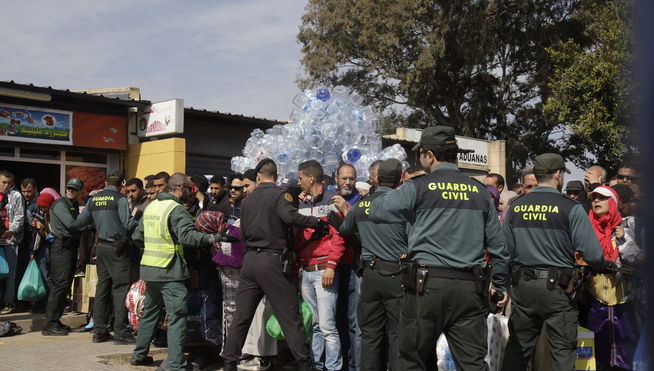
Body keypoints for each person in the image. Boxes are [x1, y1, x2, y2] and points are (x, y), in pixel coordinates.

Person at [369, 126, 509, 371]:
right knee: (473, 364)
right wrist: (498, 285)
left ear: (429, 155)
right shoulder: (480, 192)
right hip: (469, 289)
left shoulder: (418, 187)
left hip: (426, 289)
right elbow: (500, 247)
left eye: (419, 154)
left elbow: (378, 210)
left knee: (412, 361)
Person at [500, 153, 609, 371]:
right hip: (558, 291)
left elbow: (504, 252)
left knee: (518, 349)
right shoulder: (571, 207)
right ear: (558, 175)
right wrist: (601, 266)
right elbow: (593, 254)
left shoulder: (516, 207)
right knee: (562, 351)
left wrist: (501, 284)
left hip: (523, 288)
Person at [221, 159, 326, 371]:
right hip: (272, 261)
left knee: (241, 317)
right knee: (290, 317)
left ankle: (229, 363)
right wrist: (317, 222)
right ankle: (305, 365)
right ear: (275, 176)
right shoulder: (280, 195)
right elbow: (290, 216)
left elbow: (242, 233)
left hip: (250, 262)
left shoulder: (248, 200)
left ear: (259, 176)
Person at [130, 173, 227, 370]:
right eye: (190, 189)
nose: (192, 193)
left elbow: (137, 236)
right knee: (176, 317)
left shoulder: (152, 206)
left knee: (150, 313)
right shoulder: (176, 210)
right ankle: (175, 363)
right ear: (180, 188)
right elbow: (189, 237)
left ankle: (139, 355)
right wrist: (215, 237)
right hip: (170, 270)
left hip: (150, 269)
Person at [330, 158, 406, 371]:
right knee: (397, 333)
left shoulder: (362, 204)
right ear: (400, 179)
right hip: (396, 275)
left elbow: (345, 228)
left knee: (370, 335)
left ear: (376, 178)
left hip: (369, 276)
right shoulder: (404, 203)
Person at [74, 171, 137, 344]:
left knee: (103, 288)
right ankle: (121, 331)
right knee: (120, 288)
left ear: (106, 182)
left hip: (100, 247)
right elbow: (128, 223)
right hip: (117, 248)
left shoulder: (94, 199)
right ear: (122, 184)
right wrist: (144, 225)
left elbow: (80, 222)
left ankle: (99, 331)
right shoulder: (120, 199)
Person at [297, 160, 348, 371]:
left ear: (311, 179)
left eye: (300, 179)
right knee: (316, 326)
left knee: (327, 327)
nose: (298, 183)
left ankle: (334, 367)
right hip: (306, 271)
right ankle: (317, 366)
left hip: (324, 271)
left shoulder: (333, 200)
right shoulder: (301, 203)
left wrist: (331, 265)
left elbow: (339, 237)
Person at [584, 185, 639, 370]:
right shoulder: (585, 231)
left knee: (625, 357)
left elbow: (636, 258)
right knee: (595, 357)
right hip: (594, 304)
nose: (596, 201)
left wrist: (623, 239)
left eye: (601, 198)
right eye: (593, 198)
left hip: (624, 306)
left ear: (613, 203)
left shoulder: (627, 229)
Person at [42, 178, 84, 336]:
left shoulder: (72, 204)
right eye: (69, 188)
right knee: (60, 285)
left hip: (69, 247)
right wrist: (87, 225)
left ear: (80, 191)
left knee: (65, 285)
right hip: (61, 247)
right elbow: (71, 224)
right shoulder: (61, 204)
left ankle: (55, 320)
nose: (71, 191)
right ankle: (49, 324)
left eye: (75, 189)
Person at [331, 163, 361, 371]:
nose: (347, 182)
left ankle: (354, 365)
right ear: (336, 178)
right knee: (333, 319)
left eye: (351, 178)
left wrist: (345, 209)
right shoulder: (328, 198)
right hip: (330, 267)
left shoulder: (362, 200)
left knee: (353, 321)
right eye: (344, 178)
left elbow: (362, 230)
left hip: (353, 267)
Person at [0, 171, 25, 315]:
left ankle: (9, 303)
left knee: (10, 273)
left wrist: (11, 230)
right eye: (3, 182)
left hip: (10, 240)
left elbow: (19, 217)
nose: (6, 185)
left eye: (8, 183)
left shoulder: (15, 196)